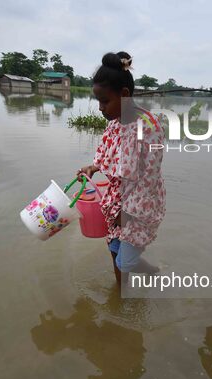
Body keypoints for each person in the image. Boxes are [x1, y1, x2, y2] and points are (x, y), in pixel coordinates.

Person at [78, 51, 166, 287]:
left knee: (125, 261)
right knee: (114, 249)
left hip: (138, 206)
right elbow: (107, 151)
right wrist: (93, 167)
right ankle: (121, 293)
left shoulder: (148, 128)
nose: (100, 108)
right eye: (98, 101)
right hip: (116, 200)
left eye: (104, 101)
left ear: (124, 95)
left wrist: (125, 214)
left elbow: (148, 180)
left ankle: (149, 272)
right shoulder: (117, 123)